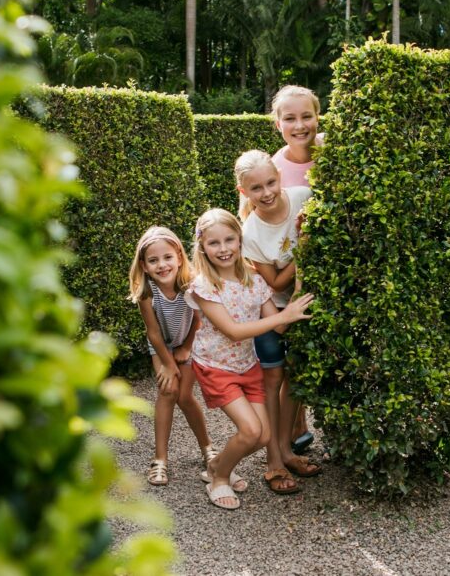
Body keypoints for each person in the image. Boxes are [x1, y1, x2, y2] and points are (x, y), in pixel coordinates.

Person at [187, 209, 314, 510]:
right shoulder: (205, 286)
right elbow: (233, 331)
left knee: (263, 435)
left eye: (229, 239)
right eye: (214, 243)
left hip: (246, 365)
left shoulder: (254, 281)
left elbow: (279, 324)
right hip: (216, 366)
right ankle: (219, 478)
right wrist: (283, 315)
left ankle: (216, 464)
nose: (223, 249)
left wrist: (296, 292)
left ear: (239, 239)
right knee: (251, 431)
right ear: (202, 247)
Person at [236, 150, 323, 494]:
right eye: (256, 188)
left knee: (295, 382)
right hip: (271, 312)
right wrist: (301, 246)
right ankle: (273, 460)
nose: (267, 192)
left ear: (280, 178)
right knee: (272, 383)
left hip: (304, 306)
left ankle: (287, 450)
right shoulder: (251, 232)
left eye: (271, 182)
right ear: (244, 192)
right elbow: (275, 283)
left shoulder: (302, 197)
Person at [128, 226, 216, 486]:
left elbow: (198, 320)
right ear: (143, 265)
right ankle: (160, 460)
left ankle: (208, 448)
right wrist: (167, 363)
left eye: (167, 257)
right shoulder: (146, 293)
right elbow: (153, 334)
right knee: (167, 391)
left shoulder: (190, 284)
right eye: (153, 260)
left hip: (187, 341)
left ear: (179, 256)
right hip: (162, 346)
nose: (162, 265)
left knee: (185, 396)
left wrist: (186, 348)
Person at [270, 84, 324, 453]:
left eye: (306, 116)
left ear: (317, 116)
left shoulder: (330, 154)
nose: (299, 124)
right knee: (292, 355)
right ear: (278, 124)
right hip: (287, 270)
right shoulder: (275, 166)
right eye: (290, 118)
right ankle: (292, 430)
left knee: (310, 356)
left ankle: (299, 423)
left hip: (327, 267)